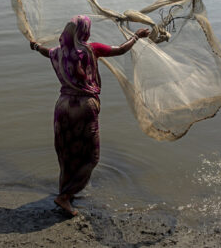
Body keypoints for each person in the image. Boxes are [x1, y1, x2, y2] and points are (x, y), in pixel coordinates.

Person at [30, 15, 150, 216]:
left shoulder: (57, 52)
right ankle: (65, 197)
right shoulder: (91, 49)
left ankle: (66, 192)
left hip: (62, 106)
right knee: (91, 156)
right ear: (84, 31)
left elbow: (43, 51)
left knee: (66, 153)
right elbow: (120, 49)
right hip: (84, 108)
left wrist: (34, 46)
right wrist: (137, 36)